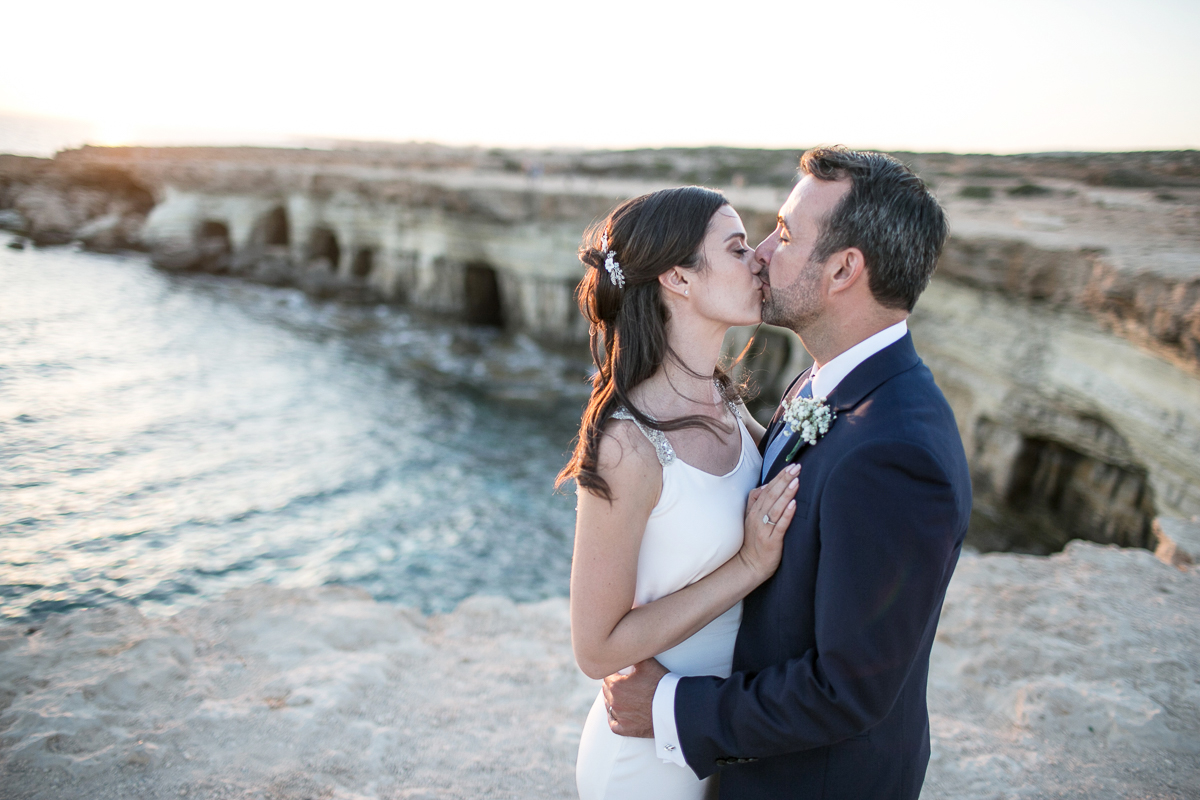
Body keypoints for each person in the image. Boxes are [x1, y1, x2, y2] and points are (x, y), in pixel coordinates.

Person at [603, 147, 973, 800]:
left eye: (785, 232)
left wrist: (669, 708)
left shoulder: (895, 453)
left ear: (843, 271)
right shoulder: (823, 383)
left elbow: (848, 689)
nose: (764, 251)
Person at [557, 186, 802, 800]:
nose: (759, 261)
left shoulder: (724, 399)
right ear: (679, 278)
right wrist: (747, 566)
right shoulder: (627, 446)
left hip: (721, 727)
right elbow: (596, 647)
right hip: (645, 761)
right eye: (738, 248)